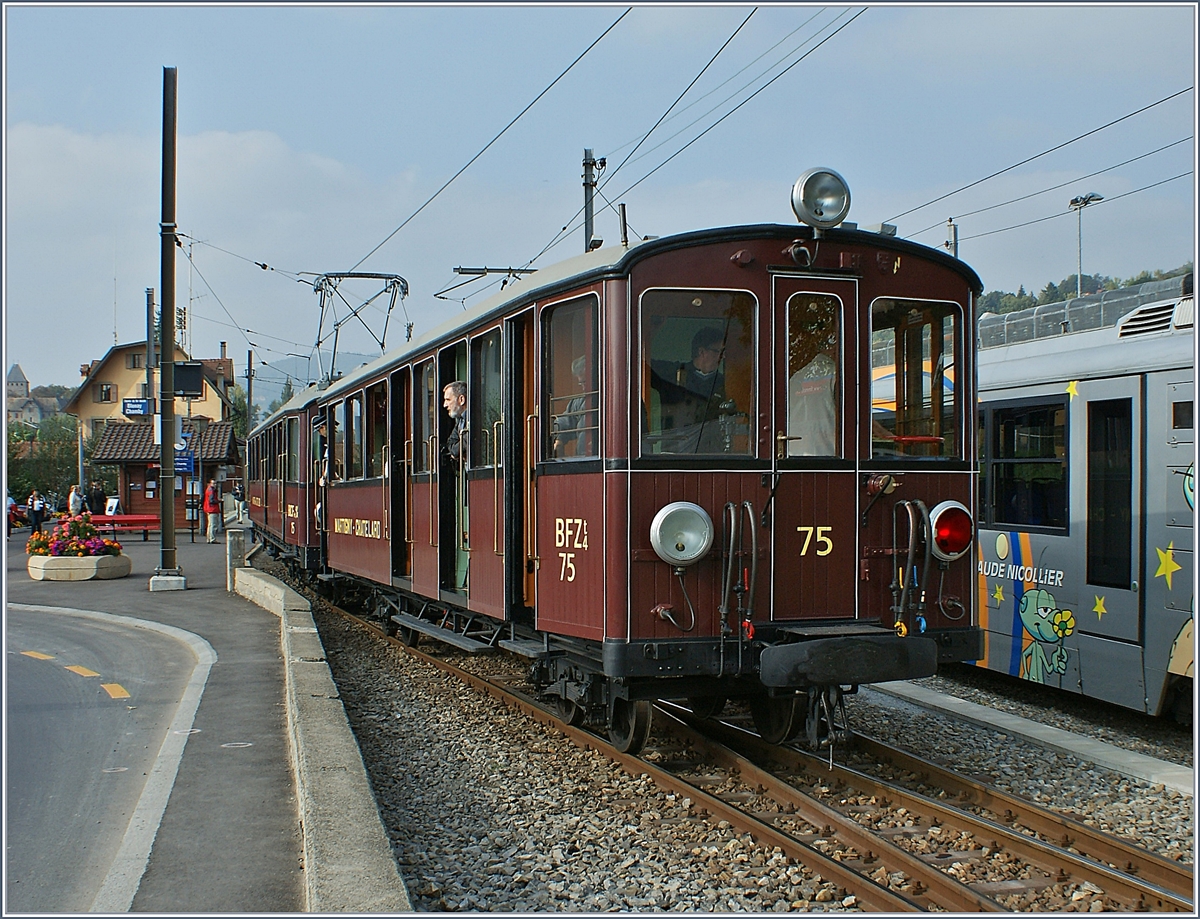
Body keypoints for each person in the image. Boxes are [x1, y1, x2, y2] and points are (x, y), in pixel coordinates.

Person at [553, 356, 595, 458]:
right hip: (583, 459)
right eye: (581, 383)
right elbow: (565, 421)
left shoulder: (616, 398)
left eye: (586, 382)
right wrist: (559, 439)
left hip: (599, 459)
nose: (584, 387)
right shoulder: (580, 401)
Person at [442, 381, 468, 467]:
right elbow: (450, 442)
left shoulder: (474, 418)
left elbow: (465, 443)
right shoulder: (460, 420)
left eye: (448, 400)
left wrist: (457, 452)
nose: (445, 405)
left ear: (461, 400)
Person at [202, 478, 221, 543]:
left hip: (208, 509)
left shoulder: (208, 489)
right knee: (213, 525)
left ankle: (209, 538)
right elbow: (211, 500)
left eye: (215, 483)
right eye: (213, 483)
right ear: (210, 483)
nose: (215, 485)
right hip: (212, 509)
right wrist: (219, 501)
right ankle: (212, 539)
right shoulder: (211, 491)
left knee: (210, 525)